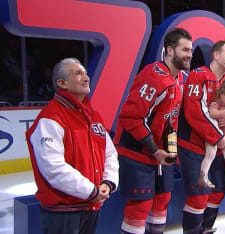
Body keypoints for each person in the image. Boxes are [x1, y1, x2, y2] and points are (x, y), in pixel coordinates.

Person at [25, 58, 119, 234]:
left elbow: (109, 153)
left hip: (92, 206)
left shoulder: (93, 116)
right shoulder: (50, 119)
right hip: (63, 212)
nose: (86, 77)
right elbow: (53, 168)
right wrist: (91, 191)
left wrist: (108, 182)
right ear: (62, 83)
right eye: (78, 73)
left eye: (85, 72)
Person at [113, 28, 192, 234]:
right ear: (169, 50)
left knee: (162, 200)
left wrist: (171, 150)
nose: (189, 54)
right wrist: (155, 150)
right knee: (139, 207)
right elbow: (131, 118)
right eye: (184, 49)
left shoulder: (179, 80)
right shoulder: (154, 76)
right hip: (136, 151)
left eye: (190, 49)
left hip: (159, 153)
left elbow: (171, 121)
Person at [177, 40, 225, 234]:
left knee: (218, 191)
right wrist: (218, 136)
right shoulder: (198, 75)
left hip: (218, 145)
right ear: (215, 55)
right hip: (193, 145)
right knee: (199, 196)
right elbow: (194, 112)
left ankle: (206, 228)